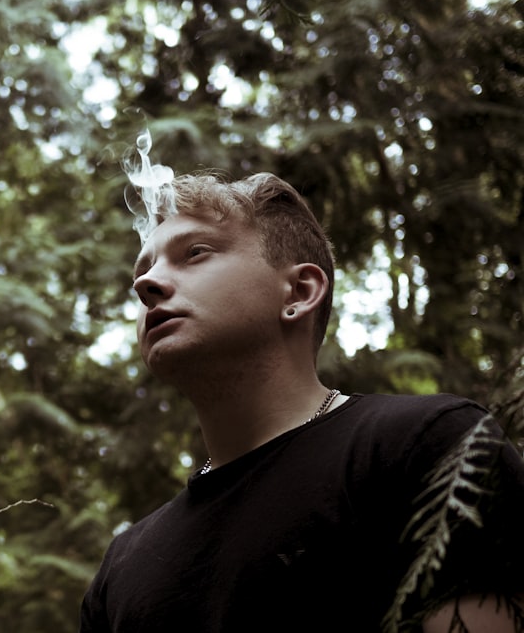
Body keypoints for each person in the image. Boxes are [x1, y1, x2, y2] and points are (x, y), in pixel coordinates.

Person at [79, 170, 524, 632]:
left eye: (194, 253)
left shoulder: (425, 447)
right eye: (143, 269)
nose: (145, 284)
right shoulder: (122, 569)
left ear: (299, 292)